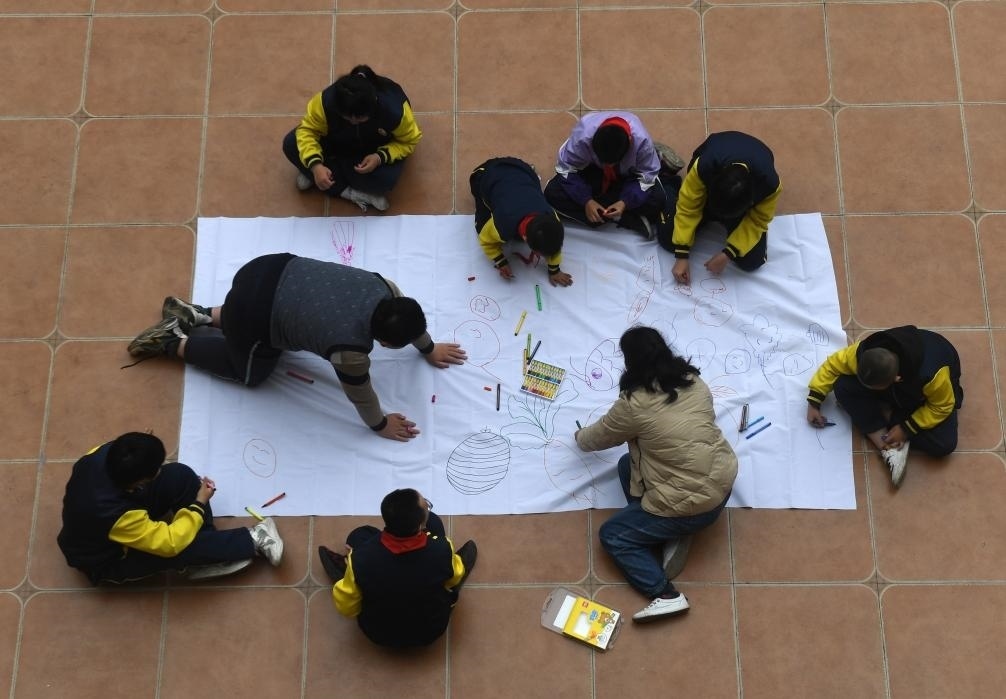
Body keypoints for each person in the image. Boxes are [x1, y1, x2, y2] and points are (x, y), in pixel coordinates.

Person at [125, 254, 467, 441]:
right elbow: (361, 395)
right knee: (250, 372)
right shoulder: (349, 351)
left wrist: (429, 348)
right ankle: (172, 342)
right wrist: (379, 425)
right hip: (253, 310)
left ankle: (198, 314)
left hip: (266, 268)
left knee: (256, 309)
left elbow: (408, 321)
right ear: (385, 343)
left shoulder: (386, 288)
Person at [575, 326, 737, 622]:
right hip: (723, 479)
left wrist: (578, 436)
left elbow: (596, 438)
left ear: (631, 362)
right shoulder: (693, 380)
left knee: (613, 535)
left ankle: (666, 595)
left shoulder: (634, 404)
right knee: (627, 465)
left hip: (694, 505)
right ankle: (672, 532)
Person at [57, 432, 284, 584]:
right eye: (155, 469)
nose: (160, 469)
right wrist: (198, 504)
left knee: (179, 475)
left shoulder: (104, 453)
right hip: (109, 559)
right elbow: (170, 543)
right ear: (138, 481)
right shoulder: (115, 515)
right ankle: (254, 539)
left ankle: (206, 555)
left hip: (119, 506)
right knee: (179, 547)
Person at [806, 325, 963, 487]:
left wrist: (907, 428)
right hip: (895, 386)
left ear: (896, 379)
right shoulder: (865, 352)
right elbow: (833, 365)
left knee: (945, 444)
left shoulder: (932, 375)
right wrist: (814, 401)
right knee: (842, 385)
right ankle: (889, 448)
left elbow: (942, 406)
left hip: (923, 395)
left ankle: (889, 417)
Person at [318, 489, 477, 648]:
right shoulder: (442, 550)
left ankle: (346, 573)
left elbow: (347, 608)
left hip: (378, 632)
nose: (428, 509)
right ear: (420, 525)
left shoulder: (361, 558)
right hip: (430, 630)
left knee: (358, 536)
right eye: (427, 506)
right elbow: (454, 578)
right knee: (435, 524)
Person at [282, 64, 421, 212]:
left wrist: (380, 157)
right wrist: (315, 165)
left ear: (373, 107)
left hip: (371, 152)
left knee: (386, 180)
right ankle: (344, 189)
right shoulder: (326, 101)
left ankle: (321, 174)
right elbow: (308, 130)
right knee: (291, 143)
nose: (353, 122)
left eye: (360, 118)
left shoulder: (395, 111)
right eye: (347, 118)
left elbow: (409, 140)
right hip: (336, 142)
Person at [666, 131, 781, 285]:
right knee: (668, 238)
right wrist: (681, 254)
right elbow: (688, 207)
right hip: (711, 194)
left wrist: (728, 253)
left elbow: (758, 220)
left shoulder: (769, 185)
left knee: (752, 261)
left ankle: (737, 223)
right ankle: (668, 185)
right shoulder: (704, 167)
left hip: (736, 202)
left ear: (750, 203)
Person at [543, 112, 669, 239]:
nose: (608, 165)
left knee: (658, 198)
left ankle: (610, 214)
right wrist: (586, 200)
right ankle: (624, 217)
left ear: (630, 142)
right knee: (552, 192)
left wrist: (625, 202)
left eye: (612, 162)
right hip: (595, 171)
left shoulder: (642, 142)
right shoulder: (583, 136)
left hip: (627, 175)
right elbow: (565, 168)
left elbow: (647, 176)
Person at [470, 156, 572, 287]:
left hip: (521, 168)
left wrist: (554, 270)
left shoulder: (551, 218)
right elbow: (486, 242)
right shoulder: (501, 225)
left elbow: (554, 246)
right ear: (525, 238)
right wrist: (501, 261)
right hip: (486, 173)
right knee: (481, 227)